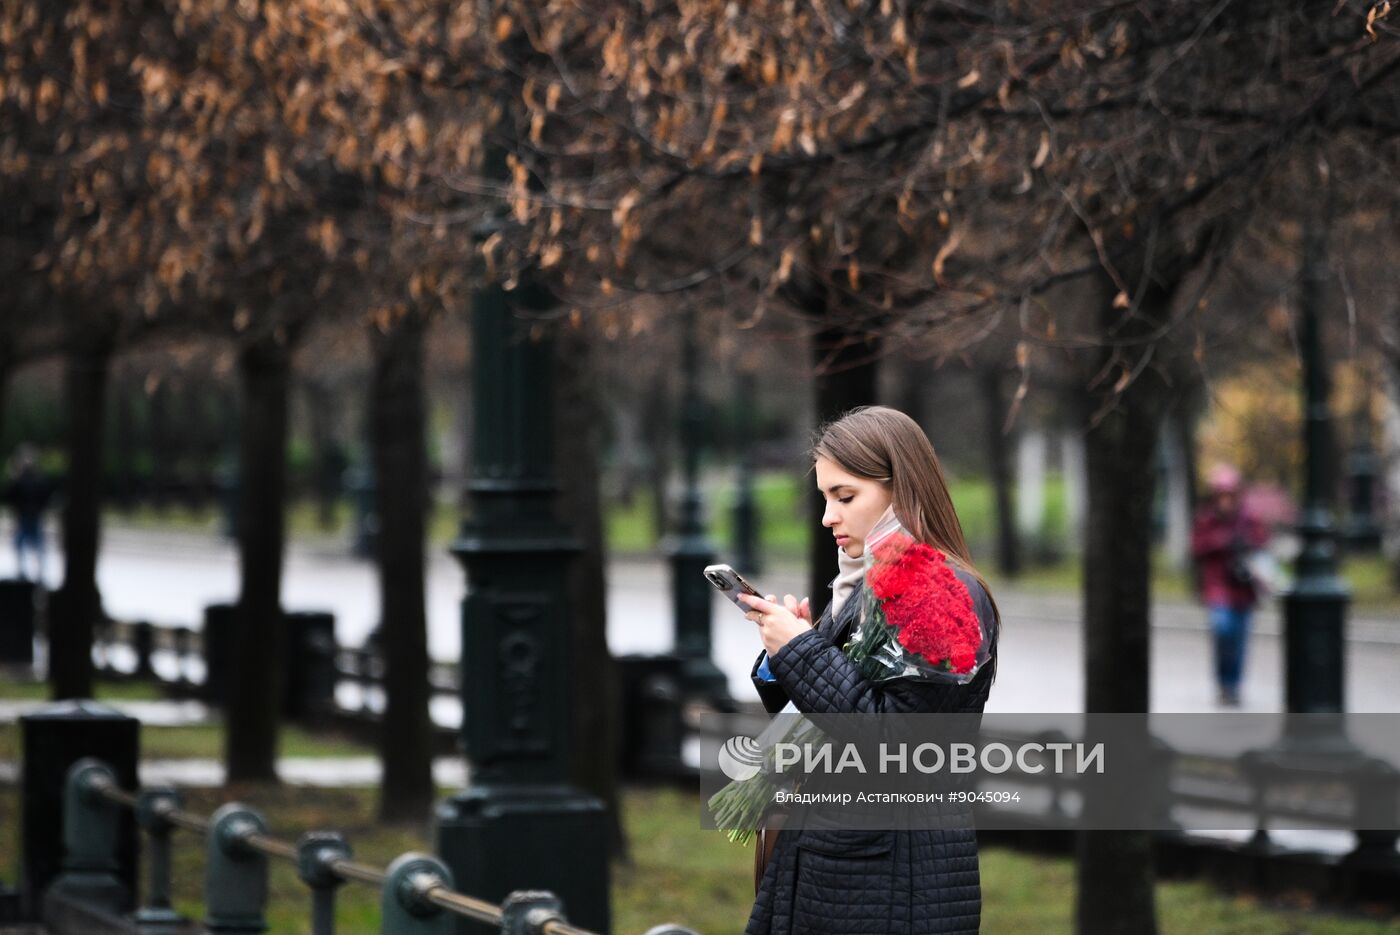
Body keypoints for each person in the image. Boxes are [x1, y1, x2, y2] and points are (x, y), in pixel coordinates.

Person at [737, 405, 1000, 935]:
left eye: (845, 496)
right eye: (825, 498)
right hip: (843, 862)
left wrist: (803, 652)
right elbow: (835, 712)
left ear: (901, 490)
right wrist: (793, 651)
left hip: (889, 876)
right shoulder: (864, 584)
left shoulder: (933, 592)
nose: (828, 517)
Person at [1190, 464, 1269, 708]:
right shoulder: (1206, 519)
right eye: (1221, 496)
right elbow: (1196, 548)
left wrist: (1246, 544)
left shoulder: (1250, 519)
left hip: (1243, 589)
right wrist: (1220, 541)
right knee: (1222, 629)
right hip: (1218, 587)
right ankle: (1223, 682)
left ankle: (1233, 686)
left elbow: (1263, 546)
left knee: (1240, 640)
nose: (1225, 502)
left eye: (1230, 496)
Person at [5, 445, 52, 582]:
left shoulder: (34, 478)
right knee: (23, 544)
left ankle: (39, 572)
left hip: (32, 516)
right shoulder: (24, 478)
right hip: (25, 516)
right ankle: (26, 571)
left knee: (34, 545)